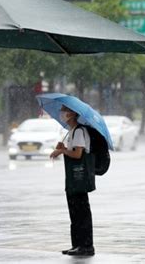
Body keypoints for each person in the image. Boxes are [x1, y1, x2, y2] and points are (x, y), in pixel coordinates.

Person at [50, 105, 95, 257]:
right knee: (75, 213)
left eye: (64, 110)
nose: (62, 113)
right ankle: (77, 244)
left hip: (79, 180)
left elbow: (77, 154)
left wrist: (62, 150)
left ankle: (86, 246)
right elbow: (73, 152)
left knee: (81, 213)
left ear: (72, 114)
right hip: (73, 180)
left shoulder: (79, 131)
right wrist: (63, 148)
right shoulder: (72, 132)